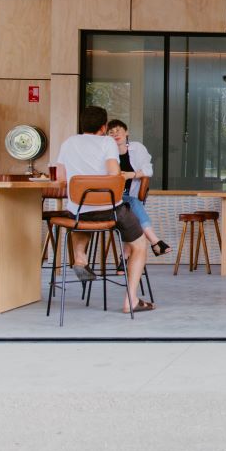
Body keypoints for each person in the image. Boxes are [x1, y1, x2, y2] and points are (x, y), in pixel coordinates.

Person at [55, 106, 152, 314]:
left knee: (81, 217)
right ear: (103, 127)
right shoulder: (107, 142)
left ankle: (80, 257)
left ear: (82, 125)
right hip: (109, 210)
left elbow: (60, 179)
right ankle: (131, 300)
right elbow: (113, 174)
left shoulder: (68, 143)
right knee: (140, 245)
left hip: (79, 211)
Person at [106, 119, 170, 256]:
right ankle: (155, 241)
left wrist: (131, 175)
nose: (115, 134)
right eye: (111, 132)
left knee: (130, 209)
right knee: (132, 205)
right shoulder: (106, 153)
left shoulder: (137, 148)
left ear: (126, 132)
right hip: (111, 197)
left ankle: (124, 258)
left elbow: (148, 171)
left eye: (118, 130)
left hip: (130, 195)